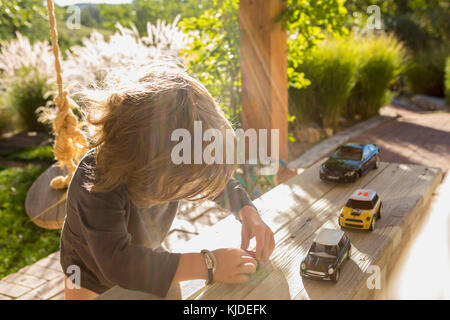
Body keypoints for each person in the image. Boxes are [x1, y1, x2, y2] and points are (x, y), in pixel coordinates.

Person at [61, 64, 275, 299]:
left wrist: (247, 212)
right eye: (191, 180)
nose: (199, 185)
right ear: (152, 164)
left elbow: (215, 182)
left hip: (145, 251)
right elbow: (119, 264)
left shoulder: (169, 163)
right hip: (87, 270)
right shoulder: (95, 181)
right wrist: (208, 265)